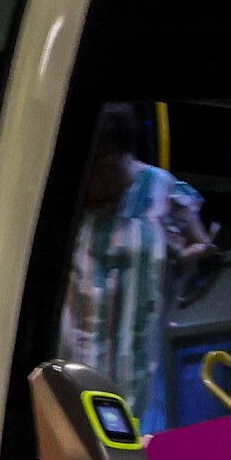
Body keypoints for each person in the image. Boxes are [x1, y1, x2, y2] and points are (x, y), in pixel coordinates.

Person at [55, 120, 214, 423]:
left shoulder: (159, 188)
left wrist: (184, 260)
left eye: (99, 166)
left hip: (138, 360)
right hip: (77, 351)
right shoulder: (70, 194)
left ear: (119, 157)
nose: (91, 178)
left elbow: (199, 244)